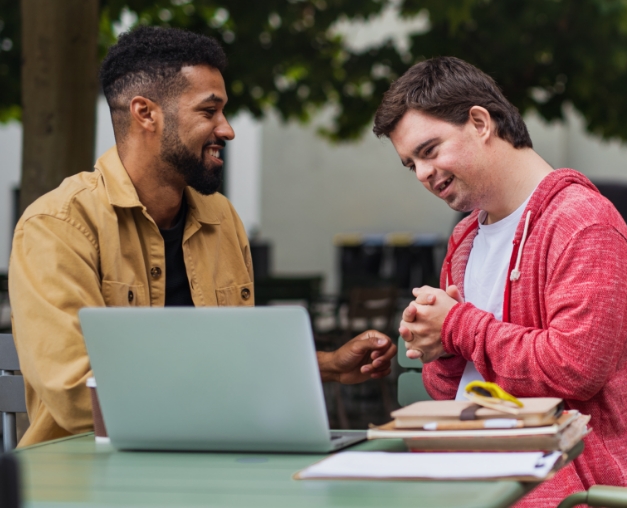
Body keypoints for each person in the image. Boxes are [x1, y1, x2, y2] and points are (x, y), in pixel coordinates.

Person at [9, 26, 395, 447]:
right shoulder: (57, 225)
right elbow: (76, 396)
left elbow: (235, 355)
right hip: (88, 477)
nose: (227, 129)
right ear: (145, 113)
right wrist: (230, 394)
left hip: (214, 458)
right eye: (209, 111)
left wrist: (325, 365)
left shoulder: (221, 218)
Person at [373, 57, 627, 505]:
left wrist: (457, 326)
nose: (423, 174)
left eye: (429, 151)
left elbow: (573, 370)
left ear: (480, 122)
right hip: (466, 477)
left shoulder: (584, 223)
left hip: (562, 491)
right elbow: (452, 387)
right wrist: (438, 348)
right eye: (411, 165)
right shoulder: (465, 236)